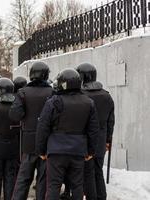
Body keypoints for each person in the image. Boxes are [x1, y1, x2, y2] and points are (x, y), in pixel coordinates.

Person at [35, 68, 99, 200]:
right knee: (77, 186)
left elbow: (43, 127)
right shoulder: (88, 102)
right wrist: (91, 151)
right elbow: (93, 130)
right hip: (78, 149)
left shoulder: (53, 101)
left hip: (56, 150)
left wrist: (41, 150)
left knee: (53, 185)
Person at [10, 62, 53, 200]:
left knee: (23, 178)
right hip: (47, 141)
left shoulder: (23, 92)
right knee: (43, 179)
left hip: (28, 141)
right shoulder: (52, 92)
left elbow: (15, 115)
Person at [77, 63, 115, 200]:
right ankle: (101, 196)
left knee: (87, 172)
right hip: (101, 139)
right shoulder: (107, 96)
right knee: (98, 171)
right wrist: (108, 140)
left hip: (85, 139)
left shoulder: (80, 95)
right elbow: (111, 121)